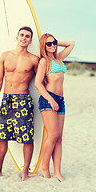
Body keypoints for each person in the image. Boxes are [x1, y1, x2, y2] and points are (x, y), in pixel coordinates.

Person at [0, 26, 39, 181]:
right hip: (6, 99)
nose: (24, 38)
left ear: (30, 40)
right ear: (17, 37)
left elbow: (42, 80)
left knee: (27, 137)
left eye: (27, 36)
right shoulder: (5, 56)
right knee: (2, 136)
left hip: (23, 100)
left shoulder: (33, 59)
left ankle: (25, 173)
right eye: (22, 35)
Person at [35, 33, 75, 182]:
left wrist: (55, 40)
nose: (52, 45)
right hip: (48, 100)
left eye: (54, 43)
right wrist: (51, 100)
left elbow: (71, 43)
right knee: (52, 135)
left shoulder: (58, 58)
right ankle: (44, 166)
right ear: (43, 46)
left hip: (61, 100)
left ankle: (57, 171)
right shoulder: (44, 62)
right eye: (49, 44)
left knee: (59, 138)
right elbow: (38, 84)